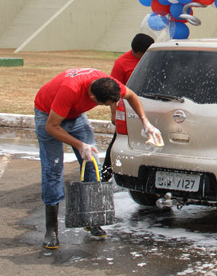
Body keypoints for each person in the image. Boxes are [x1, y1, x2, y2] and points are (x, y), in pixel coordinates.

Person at [35, 68, 162, 249]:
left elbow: (132, 96)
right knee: (53, 170)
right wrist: (80, 145)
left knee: (92, 163)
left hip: (75, 116)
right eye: (106, 104)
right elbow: (52, 127)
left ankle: (91, 219)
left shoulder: (108, 83)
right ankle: (51, 229)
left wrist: (145, 122)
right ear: (93, 99)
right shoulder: (70, 90)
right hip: (48, 115)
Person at [101, 33, 155, 181]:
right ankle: (105, 174)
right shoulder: (122, 63)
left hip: (151, 106)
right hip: (130, 109)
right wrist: (114, 114)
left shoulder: (152, 59)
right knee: (118, 140)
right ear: (138, 53)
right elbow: (112, 92)